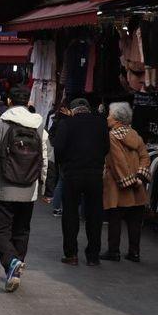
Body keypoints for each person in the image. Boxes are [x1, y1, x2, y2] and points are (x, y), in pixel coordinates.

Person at [0, 90, 51, 292]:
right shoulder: (40, 128)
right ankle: (16, 266)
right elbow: (47, 160)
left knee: (0, 231)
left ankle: (12, 263)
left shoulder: (0, 125)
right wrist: (44, 188)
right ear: (29, 102)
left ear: (9, 101)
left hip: (3, 189)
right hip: (29, 189)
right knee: (21, 230)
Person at [51, 98, 109, 266]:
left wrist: (65, 166)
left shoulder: (66, 124)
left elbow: (59, 148)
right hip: (95, 174)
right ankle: (93, 256)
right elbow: (106, 147)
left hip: (72, 174)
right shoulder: (100, 123)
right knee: (94, 215)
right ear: (87, 109)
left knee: (70, 213)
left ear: (72, 110)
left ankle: (71, 254)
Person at [102, 102, 151, 263]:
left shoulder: (111, 136)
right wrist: (139, 177)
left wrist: (127, 180)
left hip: (118, 186)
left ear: (117, 120)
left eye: (110, 115)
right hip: (138, 187)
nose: (107, 117)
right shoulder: (135, 135)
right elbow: (145, 157)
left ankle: (113, 251)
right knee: (135, 221)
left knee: (115, 218)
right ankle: (134, 252)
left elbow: (117, 162)